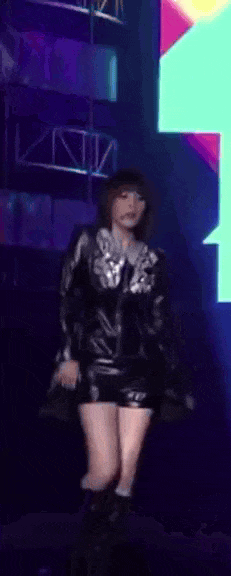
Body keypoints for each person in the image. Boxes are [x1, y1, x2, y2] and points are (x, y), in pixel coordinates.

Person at [39, 169, 192, 565]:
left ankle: (98, 555)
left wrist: (173, 375)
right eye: (124, 196)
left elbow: (160, 321)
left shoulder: (155, 259)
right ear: (110, 201)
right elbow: (68, 299)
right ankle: (82, 540)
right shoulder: (86, 242)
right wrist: (68, 354)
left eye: (138, 198)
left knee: (125, 477)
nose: (131, 205)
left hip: (141, 370)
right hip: (95, 364)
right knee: (105, 470)